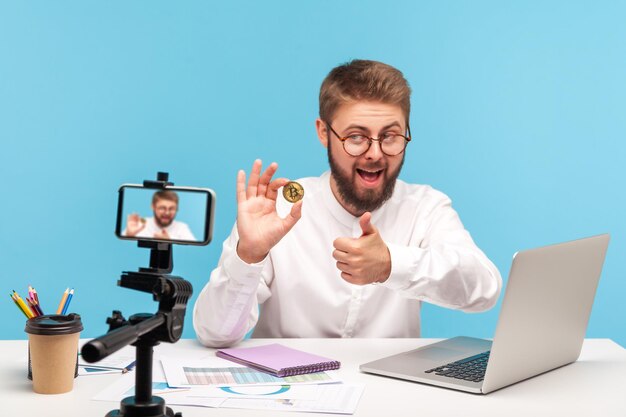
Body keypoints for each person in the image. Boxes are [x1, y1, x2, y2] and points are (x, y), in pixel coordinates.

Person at [193, 59, 502, 347]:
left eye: (391, 136)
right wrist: (249, 255)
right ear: (324, 133)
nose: (375, 153)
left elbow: (484, 288)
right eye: (356, 136)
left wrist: (390, 265)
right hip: (289, 397)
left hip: (391, 396)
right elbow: (215, 334)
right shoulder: (280, 208)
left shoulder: (425, 206)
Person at [123, 190, 196, 241]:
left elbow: (194, 248)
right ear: (153, 206)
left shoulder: (182, 227)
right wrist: (129, 235)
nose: (167, 213)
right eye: (162, 208)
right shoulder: (142, 223)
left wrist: (169, 240)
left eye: (172, 208)